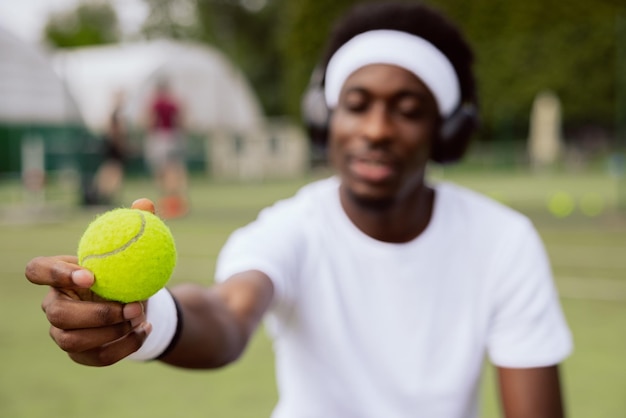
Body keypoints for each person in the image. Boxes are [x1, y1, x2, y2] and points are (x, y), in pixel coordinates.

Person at [25, 2, 573, 417]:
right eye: (357, 105)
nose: (377, 129)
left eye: (407, 110)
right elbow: (226, 315)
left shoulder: (505, 239)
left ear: (446, 132)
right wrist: (143, 319)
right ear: (324, 119)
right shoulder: (289, 228)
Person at [144, 78, 189, 219]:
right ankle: (177, 202)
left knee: (163, 172)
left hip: (160, 138)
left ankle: (168, 203)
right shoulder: (174, 103)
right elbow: (181, 121)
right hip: (174, 137)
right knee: (175, 170)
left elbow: (150, 121)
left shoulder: (156, 103)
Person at [83, 90, 128, 206]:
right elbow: (114, 132)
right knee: (112, 172)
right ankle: (101, 196)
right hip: (112, 148)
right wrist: (120, 144)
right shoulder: (114, 115)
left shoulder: (117, 114)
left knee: (111, 172)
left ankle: (101, 196)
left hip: (113, 149)